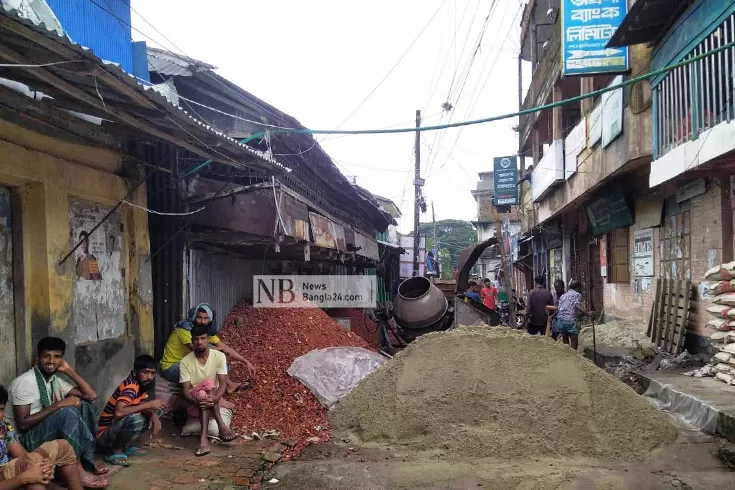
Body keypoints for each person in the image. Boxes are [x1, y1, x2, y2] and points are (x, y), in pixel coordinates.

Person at [6, 338, 108, 482]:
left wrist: (68, 370)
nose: (51, 361)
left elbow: (90, 395)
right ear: (38, 358)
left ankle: (86, 460)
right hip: (23, 440)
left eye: (57, 357)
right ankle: (79, 471)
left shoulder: (54, 380)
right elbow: (22, 424)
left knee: (85, 406)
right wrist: (58, 405)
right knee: (66, 412)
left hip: (41, 431)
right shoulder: (25, 383)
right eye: (46, 356)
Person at [0, 385, 106, 489]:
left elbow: (21, 454)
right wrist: (23, 478)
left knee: (62, 447)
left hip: (6, 470)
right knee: (33, 475)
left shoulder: (3, 425)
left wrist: (43, 463)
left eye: (0, 409)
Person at [159, 303, 255, 394]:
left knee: (218, 358)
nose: (203, 321)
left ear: (210, 319)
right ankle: (223, 389)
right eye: (199, 317)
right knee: (211, 360)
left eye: (206, 318)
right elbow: (198, 351)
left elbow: (227, 348)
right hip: (171, 368)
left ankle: (228, 386)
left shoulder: (204, 331)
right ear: (194, 317)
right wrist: (220, 350)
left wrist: (246, 362)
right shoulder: (184, 330)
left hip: (186, 362)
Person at [95, 356, 166, 467]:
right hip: (103, 437)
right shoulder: (131, 387)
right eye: (145, 372)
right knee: (136, 419)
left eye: (153, 373)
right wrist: (149, 404)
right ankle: (116, 450)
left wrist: (153, 415)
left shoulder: (141, 386)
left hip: (113, 431)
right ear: (134, 372)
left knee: (155, 411)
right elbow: (119, 412)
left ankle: (125, 446)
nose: (150, 377)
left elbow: (142, 408)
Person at [179, 325, 238, 456]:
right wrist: (197, 401)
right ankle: (222, 426)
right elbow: (186, 392)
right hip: (195, 403)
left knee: (208, 390)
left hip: (213, 399)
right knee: (202, 391)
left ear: (208, 340)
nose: (199, 342)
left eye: (203, 338)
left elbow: (223, 384)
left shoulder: (219, 357)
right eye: (196, 339)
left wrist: (216, 398)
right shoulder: (185, 362)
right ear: (192, 340)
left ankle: (203, 440)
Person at [556, 280, 595, 350]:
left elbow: (560, 308)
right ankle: (573, 357)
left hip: (561, 320)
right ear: (577, 287)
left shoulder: (563, 295)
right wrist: (588, 313)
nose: (581, 290)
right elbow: (576, 305)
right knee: (574, 341)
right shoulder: (576, 294)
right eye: (580, 288)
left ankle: (566, 355)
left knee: (565, 340)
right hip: (570, 320)